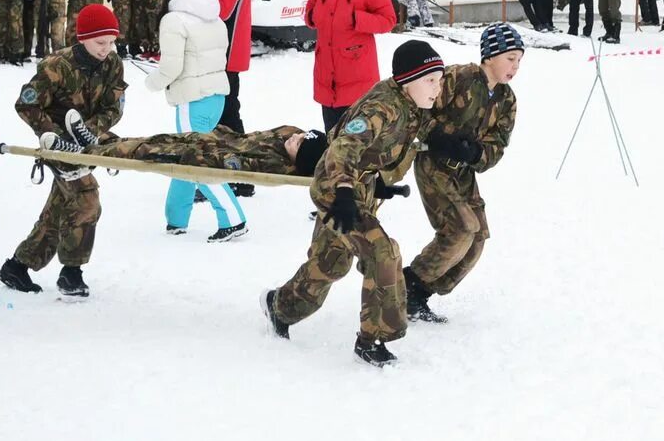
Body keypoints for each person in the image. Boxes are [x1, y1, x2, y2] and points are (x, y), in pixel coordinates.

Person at [260, 39, 444, 368]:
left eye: (439, 79)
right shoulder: (381, 108)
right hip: (335, 186)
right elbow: (342, 150)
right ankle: (373, 339)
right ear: (407, 80)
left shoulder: (413, 104)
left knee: (330, 263)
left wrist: (380, 184)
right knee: (382, 251)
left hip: (359, 188)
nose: (437, 87)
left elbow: (381, 151)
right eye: (430, 80)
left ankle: (280, 307)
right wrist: (344, 192)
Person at [0, 4, 127, 298]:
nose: (106, 49)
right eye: (100, 42)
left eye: (111, 42)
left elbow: (113, 108)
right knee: (85, 200)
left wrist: (88, 130)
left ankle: (18, 266)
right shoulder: (56, 66)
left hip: (87, 140)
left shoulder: (113, 64)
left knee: (60, 207)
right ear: (82, 38)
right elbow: (26, 104)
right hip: (56, 144)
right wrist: (51, 134)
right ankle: (72, 272)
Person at [404, 22, 521, 325]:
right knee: (460, 230)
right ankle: (405, 286)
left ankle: (419, 293)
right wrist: (438, 137)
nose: (516, 66)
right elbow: (418, 110)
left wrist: (477, 154)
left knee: (477, 239)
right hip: (434, 165)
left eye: (520, 59)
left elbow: (498, 144)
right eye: (510, 58)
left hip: (465, 173)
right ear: (490, 56)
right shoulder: (459, 77)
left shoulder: (507, 100)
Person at [144, 0, 246, 242]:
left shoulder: (174, 19)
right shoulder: (212, 14)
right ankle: (176, 218)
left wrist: (152, 83)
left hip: (192, 98)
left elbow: (171, 68)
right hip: (214, 96)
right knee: (184, 155)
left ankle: (234, 219)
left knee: (197, 162)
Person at [305, 0, 396, 134]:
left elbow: (388, 19)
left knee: (356, 146)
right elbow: (310, 10)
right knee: (331, 141)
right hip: (326, 75)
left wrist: (357, 19)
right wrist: (314, 16)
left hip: (357, 77)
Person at [193, 0, 256, 197]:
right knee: (219, 111)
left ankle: (241, 175)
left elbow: (219, 9)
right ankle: (227, 171)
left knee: (227, 111)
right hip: (216, 52)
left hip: (224, 54)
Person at [62, 126, 329, 178]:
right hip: (209, 140)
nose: (295, 137)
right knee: (151, 138)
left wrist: (196, 153)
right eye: (300, 134)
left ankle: (82, 157)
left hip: (198, 155)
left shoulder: (276, 165)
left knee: (143, 151)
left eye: (299, 143)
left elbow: (232, 162)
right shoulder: (284, 139)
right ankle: (98, 143)